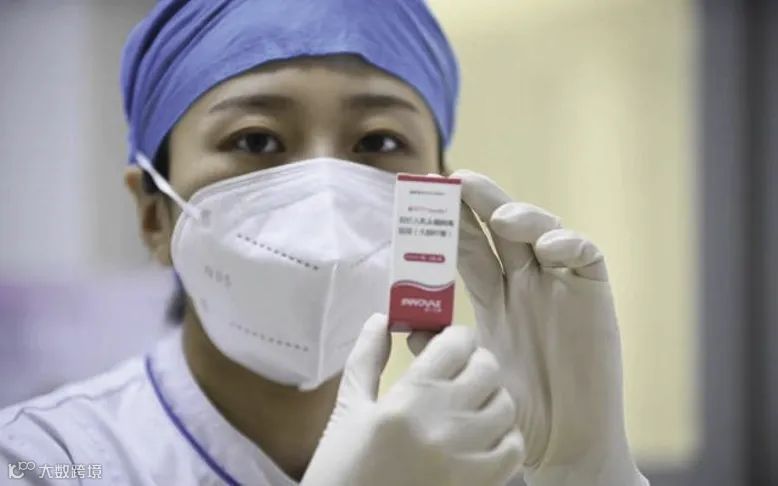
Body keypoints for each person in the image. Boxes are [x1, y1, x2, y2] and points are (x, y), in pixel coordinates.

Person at [0, 1, 648, 485]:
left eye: (378, 141)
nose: (327, 198)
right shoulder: (45, 459)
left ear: (439, 198)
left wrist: (584, 469)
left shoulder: (481, 463)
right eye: (256, 140)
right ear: (153, 215)